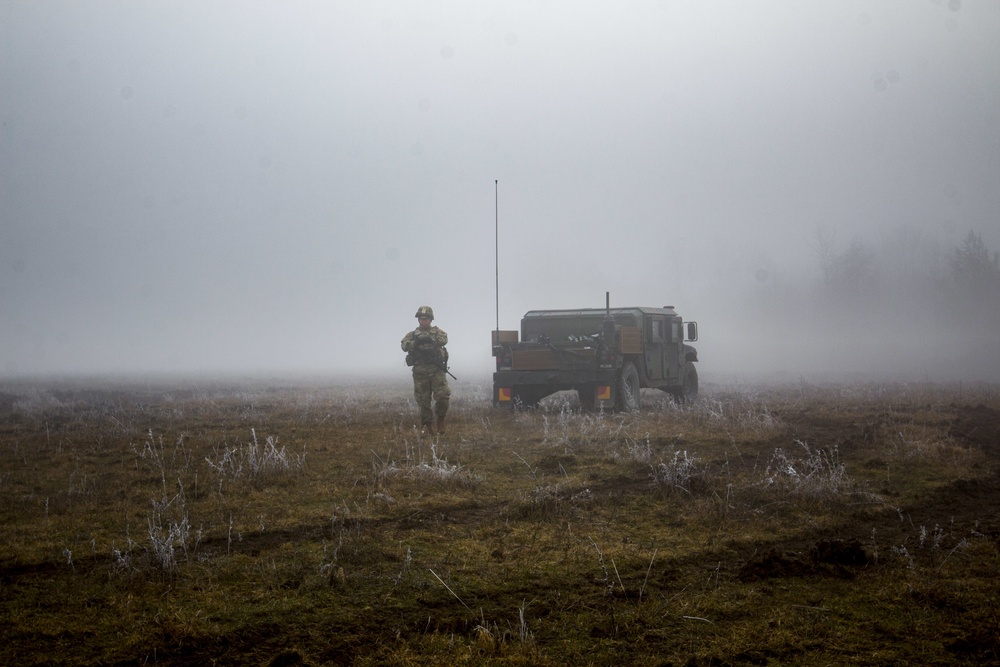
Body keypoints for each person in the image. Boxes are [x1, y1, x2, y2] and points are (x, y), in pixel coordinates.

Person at [400, 306, 451, 435]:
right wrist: (415, 343)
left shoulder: (437, 332)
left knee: (443, 396)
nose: (424, 321)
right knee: (423, 401)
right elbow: (404, 346)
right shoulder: (412, 335)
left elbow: (445, 339)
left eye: (426, 318)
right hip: (420, 372)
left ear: (431, 319)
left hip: (436, 370)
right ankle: (429, 427)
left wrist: (431, 339)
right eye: (421, 318)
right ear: (418, 320)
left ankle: (440, 420)